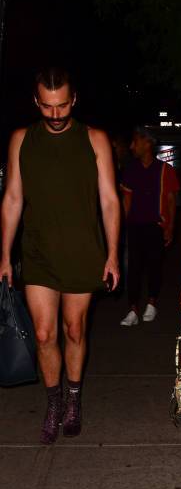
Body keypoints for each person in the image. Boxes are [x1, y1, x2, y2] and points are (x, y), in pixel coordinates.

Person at [0, 66, 120, 444]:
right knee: (43, 332)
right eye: (48, 107)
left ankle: (73, 398)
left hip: (84, 251)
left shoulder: (94, 139)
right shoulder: (21, 139)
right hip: (38, 252)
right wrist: (4, 254)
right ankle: (53, 404)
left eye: (62, 106)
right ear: (37, 101)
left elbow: (109, 201)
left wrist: (113, 254)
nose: (55, 114)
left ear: (74, 100)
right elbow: (13, 199)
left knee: (74, 330)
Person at [119, 127, 179, 326]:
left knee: (154, 266)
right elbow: (126, 200)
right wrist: (120, 227)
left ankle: (152, 303)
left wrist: (170, 226)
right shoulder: (131, 169)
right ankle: (133, 309)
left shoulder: (165, 170)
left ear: (147, 143)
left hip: (156, 226)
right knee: (133, 268)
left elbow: (171, 200)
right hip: (135, 225)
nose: (131, 146)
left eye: (135, 141)